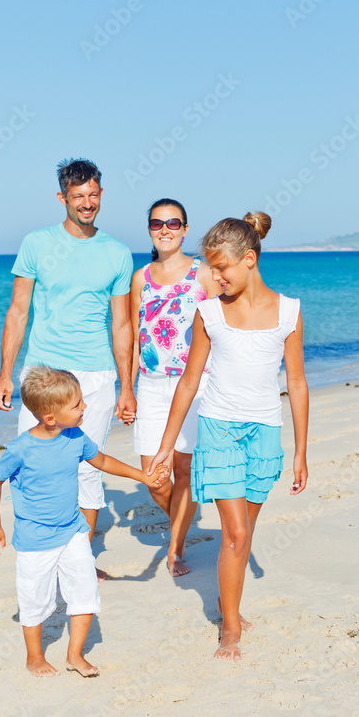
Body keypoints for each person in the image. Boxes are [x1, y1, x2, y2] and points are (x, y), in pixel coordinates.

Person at [147, 211, 309, 661]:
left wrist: (301, 451)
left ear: (250, 259)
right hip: (218, 429)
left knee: (246, 532)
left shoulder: (289, 311)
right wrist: (166, 444)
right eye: (210, 268)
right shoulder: (207, 313)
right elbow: (188, 381)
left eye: (222, 268)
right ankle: (230, 628)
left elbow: (296, 383)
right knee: (234, 533)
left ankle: (227, 601)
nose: (214, 277)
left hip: (264, 432)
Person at [0, 158, 135, 580]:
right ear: (63, 198)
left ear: (101, 194)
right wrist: (5, 373)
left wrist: (127, 385)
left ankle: (80, 564)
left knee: (88, 468)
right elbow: (18, 312)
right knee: (31, 465)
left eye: (93, 195)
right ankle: (39, 557)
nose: (87, 203)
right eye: (78, 197)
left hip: (94, 375)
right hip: (42, 374)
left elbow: (123, 324)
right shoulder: (36, 244)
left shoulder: (116, 253)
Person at [0, 366, 167, 678]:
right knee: (35, 600)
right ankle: (35, 657)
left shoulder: (76, 437)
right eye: (77, 404)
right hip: (34, 541)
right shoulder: (21, 449)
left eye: (82, 401)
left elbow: (103, 460)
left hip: (73, 531)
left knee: (84, 591)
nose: (86, 407)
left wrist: (143, 476)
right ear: (51, 417)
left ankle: (75, 654)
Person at [128, 199, 220, 577]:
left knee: (184, 471)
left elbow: (222, 326)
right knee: (153, 475)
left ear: (184, 229)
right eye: (157, 223)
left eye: (173, 223)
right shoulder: (140, 277)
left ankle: (176, 547)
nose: (164, 229)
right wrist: (127, 388)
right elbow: (135, 336)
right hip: (150, 385)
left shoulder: (204, 274)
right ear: (149, 229)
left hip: (195, 384)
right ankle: (183, 519)